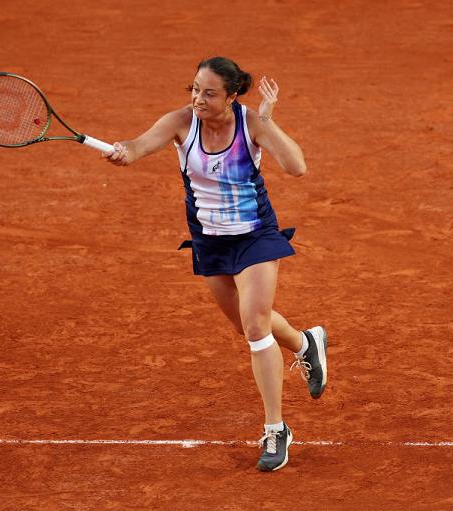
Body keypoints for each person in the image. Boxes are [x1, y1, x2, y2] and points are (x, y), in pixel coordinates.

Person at [104, 56, 327, 472]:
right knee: (247, 324)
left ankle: (276, 430)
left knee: (256, 328)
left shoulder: (250, 125)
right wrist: (123, 151)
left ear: (231, 96)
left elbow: (297, 167)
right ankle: (304, 343)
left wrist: (268, 121)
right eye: (194, 89)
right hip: (209, 242)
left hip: (254, 237)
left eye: (208, 93)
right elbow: (138, 147)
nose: (198, 99)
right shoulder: (180, 122)